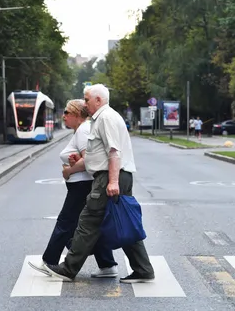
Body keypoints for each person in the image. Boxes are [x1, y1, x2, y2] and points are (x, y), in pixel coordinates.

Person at [43, 84, 155, 284]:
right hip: (113, 175)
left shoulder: (105, 118)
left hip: (110, 176)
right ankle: (143, 269)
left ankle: (68, 269)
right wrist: (85, 157)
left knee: (87, 221)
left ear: (98, 100)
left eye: (87, 100)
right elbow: (103, 151)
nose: (85, 104)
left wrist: (112, 181)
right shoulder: (103, 118)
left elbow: (114, 152)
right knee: (124, 220)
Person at [28, 99, 119, 278]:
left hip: (81, 185)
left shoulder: (84, 130)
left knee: (65, 222)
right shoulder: (82, 130)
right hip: (81, 185)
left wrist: (68, 171)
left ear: (77, 115)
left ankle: (49, 261)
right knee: (88, 226)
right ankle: (107, 264)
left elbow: (88, 160)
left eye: (67, 113)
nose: (64, 117)